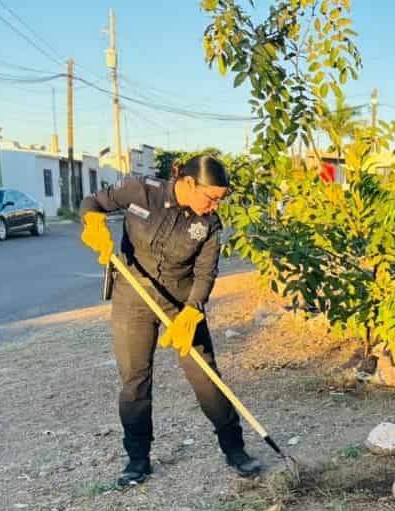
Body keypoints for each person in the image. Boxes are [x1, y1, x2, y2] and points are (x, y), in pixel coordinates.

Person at [79, 155, 262, 487]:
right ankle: (137, 460)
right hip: (133, 297)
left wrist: (193, 309)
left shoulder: (209, 224)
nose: (214, 205)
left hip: (182, 303)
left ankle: (235, 449)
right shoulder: (139, 190)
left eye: (220, 199)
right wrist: (93, 222)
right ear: (189, 183)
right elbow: (93, 201)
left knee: (206, 377)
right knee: (135, 382)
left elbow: (206, 272)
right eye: (212, 197)